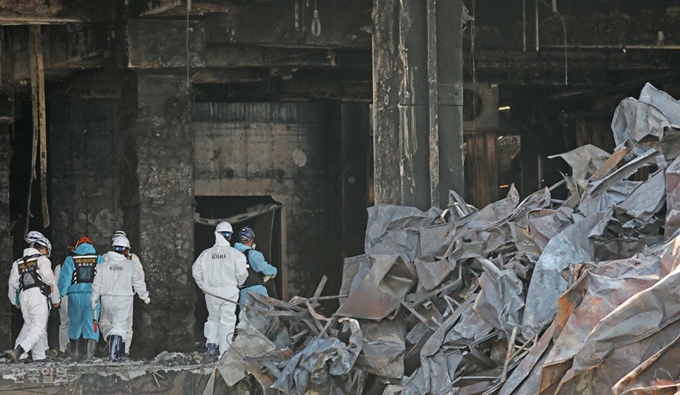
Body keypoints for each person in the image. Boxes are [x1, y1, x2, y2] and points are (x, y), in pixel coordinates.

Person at [192, 221, 248, 358]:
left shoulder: (206, 254)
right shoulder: (236, 254)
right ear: (230, 236)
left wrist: (204, 286)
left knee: (213, 318)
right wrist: (237, 284)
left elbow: (196, 272)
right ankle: (224, 352)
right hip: (229, 292)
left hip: (211, 292)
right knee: (227, 321)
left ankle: (211, 345)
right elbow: (242, 274)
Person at [91, 236, 149, 362]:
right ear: (127, 249)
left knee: (111, 324)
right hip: (124, 299)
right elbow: (138, 281)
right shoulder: (130, 265)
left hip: (107, 299)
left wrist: (94, 299)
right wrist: (144, 296)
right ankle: (114, 356)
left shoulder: (103, 265)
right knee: (122, 327)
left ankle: (120, 353)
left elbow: (97, 283)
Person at [4, 231, 60, 363]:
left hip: (24, 296)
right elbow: (49, 279)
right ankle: (19, 352)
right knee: (38, 328)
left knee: (30, 326)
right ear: (40, 247)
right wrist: (56, 299)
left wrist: (15, 301)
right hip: (38, 296)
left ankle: (37, 357)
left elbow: (12, 284)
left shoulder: (18, 263)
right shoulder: (42, 260)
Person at [58, 236, 104, 360]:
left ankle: (74, 354)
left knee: (75, 323)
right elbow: (105, 278)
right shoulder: (99, 259)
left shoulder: (70, 260)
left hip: (75, 296)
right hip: (93, 296)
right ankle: (89, 357)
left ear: (77, 246)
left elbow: (64, 280)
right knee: (92, 323)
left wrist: (61, 295)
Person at [110, 230, 144, 355]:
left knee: (111, 322)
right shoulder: (133, 259)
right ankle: (124, 350)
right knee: (126, 324)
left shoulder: (106, 257)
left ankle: (115, 348)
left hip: (112, 295)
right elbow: (140, 276)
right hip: (125, 295)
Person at [234, 226, 277, 305]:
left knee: (246, 316)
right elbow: (264, 268)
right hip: (257, 292)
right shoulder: (253, 254)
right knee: (266, 314)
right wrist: (274, 271)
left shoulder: (233, 255)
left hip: (243, 294)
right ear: (251, 240)